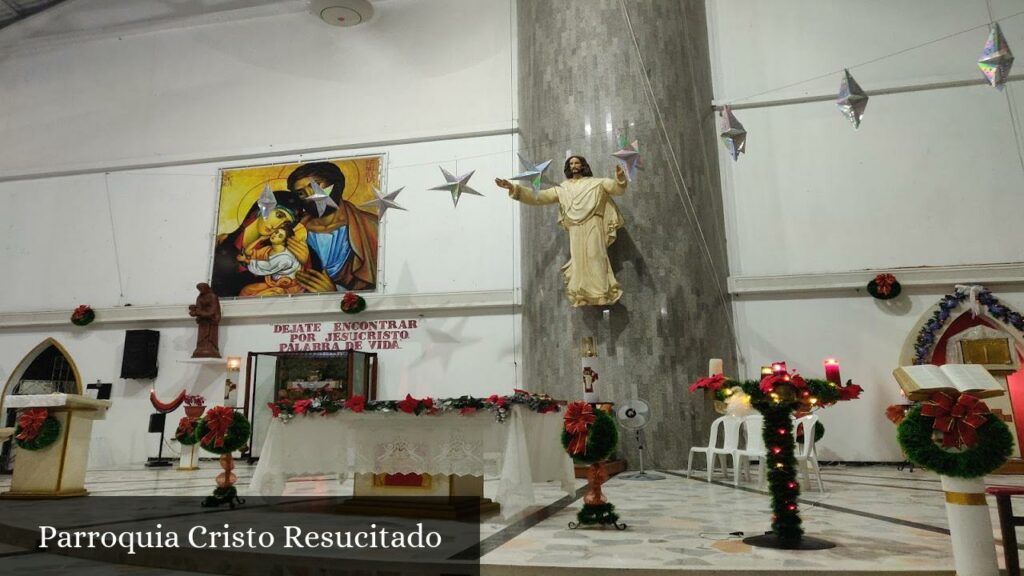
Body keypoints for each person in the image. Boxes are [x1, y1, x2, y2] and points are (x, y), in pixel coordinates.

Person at [496, 156, 628, 307]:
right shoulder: (562, 188)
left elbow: (616, 189)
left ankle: (602, 294)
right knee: (579, 261)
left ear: (583, 165)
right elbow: (540, 197)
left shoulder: (597, 183)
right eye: (571, 163)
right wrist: (514, 188)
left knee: (595, 256)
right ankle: (582, 294)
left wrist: (620, 179)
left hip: (593, 225)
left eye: (577, 163)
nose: (574, 166)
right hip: (575, 228)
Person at [286, 162, 378, 293]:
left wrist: (335, 292)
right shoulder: (294, 231)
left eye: (315, 186)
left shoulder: (372, 225)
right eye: (301, 193)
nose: (310, 196)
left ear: (337, 184)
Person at [211, 191, 305, 297]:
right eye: (279, 215)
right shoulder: (223, 240)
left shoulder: (273, 254)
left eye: (285, 224)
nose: (277, 225)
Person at [237, 224, 303, 296]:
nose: (275, 235)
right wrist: (260, 239)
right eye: (276, 232)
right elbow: (248, 252)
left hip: (287, 289)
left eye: (280, 236)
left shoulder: (285, 258)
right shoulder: (269, 249)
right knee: (246, 291)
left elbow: (266, 266)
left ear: (284, 241)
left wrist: (245, 260)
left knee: (255, 296)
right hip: (273, 284)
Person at [189, 283, 221, 358]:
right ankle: (201, 347)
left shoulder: (213, 297)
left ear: (206, 288)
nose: (200, 291)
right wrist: (194, 311)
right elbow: (198, 308)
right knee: (202, 335)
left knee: (210, 335)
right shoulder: (199, 297)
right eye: (199, 289)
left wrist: (202, 313)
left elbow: (213, 310)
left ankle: (211, 348)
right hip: (203, 320)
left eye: (201, 289)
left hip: (211, 320)